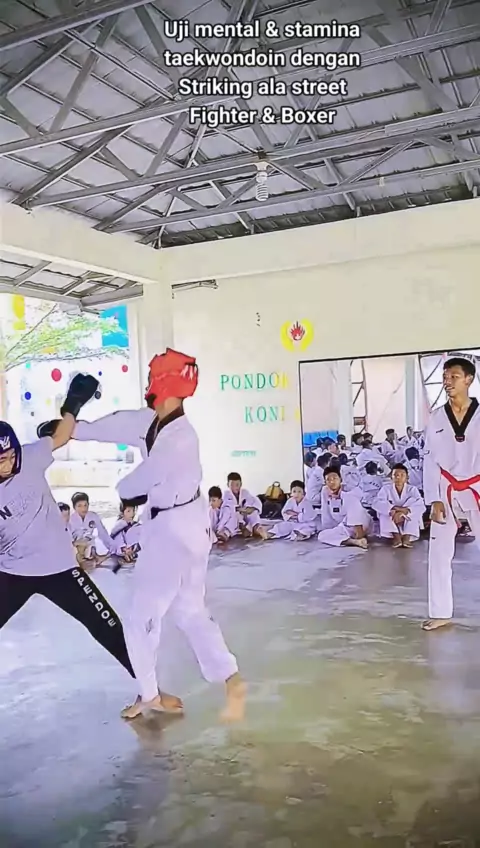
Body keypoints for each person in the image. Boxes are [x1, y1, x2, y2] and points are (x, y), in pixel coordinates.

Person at [59, 348, 244, 720]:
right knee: (190, 609)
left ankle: (150, 694)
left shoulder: (180, 438)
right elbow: (110, 427)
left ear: (163, 383)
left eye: (151, 378)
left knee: (140, 614)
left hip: (172, 533)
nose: (147, 384)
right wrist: (72, 416)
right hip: (187, 524)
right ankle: (230, 677)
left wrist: (123, 490)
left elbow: (135, 484)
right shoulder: (152, 421)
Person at [0, 377, 181, 709]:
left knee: (107, 625)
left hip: (60, 567)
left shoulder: (31, 457)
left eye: (11, 455)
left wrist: (73, 403)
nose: (8, 462)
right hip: (11, 572)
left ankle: (151, 693)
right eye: (1, 460)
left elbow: (60, 435)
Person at [422, 352, 480, 631]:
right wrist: (433, 498)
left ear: (469, 379)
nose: (448, 382)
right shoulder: (436, 417)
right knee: (439, 554)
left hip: (476, 485)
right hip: (445, 487)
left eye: (454, 377)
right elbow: (429, 459)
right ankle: (441, 612)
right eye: (445, 377)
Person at [317, 466, 371, 549]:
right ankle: (354, 542)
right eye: (328, 480)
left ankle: (359, 538)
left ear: (340, 479)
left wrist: (359, 535)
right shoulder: (325, 491)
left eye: (334, 478)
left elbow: (356, 510)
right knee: (322, 535)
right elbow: (325, 513)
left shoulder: (349, 490)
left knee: (352, 502)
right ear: (325, 482)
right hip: (344, 526)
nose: (332, 482)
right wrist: (330, 530)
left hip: (361, 522)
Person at [373, 463, 424, 548]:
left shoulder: (412, 489)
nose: (398, 478)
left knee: (415, 511)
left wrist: (404, 511)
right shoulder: (385, 489)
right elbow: (377, 503)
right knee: (383, 512)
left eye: (402, 475)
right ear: (391, 477)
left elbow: (420, 505)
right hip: (393, 515)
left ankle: (407, 537)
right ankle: (396, 537)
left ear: (407, 477)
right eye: (395, 475)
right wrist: (393, 509)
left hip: (407, 515)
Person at [69, 491, 114, 567]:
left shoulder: (93, 516)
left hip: (89, 545)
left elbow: (102, 533)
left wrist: (112, 547)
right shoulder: (70, 519)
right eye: (79, 506)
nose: (83, 508)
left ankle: (93, 556)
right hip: (76, 546)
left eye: (85, 505)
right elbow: (67, 537)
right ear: (74, 507)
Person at [223, 472, 264, 539]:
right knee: (234, 515)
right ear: (228, 485)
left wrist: (252, 508)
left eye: (237, 485)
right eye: (232, 485)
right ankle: (242, 528)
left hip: (244, 514)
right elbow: (226, 507)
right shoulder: (226, 494)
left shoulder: (245, 492)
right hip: (234, 518)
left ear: (241, 484)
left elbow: (255, 501)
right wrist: (239, 509)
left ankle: (256, 527)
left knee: (254, 513)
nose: (235, 487)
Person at [110, 502, 142, 570]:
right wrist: (124, 549)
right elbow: (116, 538)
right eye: (128, 511)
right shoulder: (119, 524)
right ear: (122, 513)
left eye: (133, 510)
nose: (132, 514)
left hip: (133, 547)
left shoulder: (136, 525)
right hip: (123, 549)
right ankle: (127, 555)